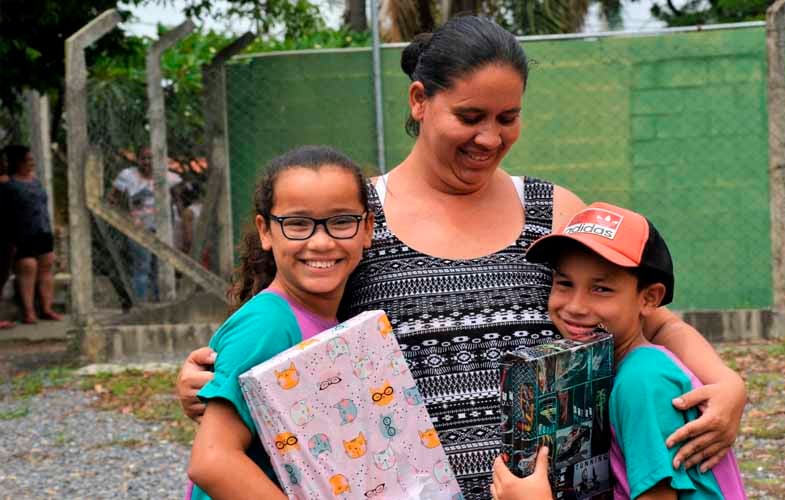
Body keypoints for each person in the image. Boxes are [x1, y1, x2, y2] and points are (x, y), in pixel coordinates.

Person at [176, 16, 746, 499]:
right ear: (420, 101)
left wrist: (726, 383)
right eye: (470, 118)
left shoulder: (552, 210)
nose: (490, 139)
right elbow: (283, 333)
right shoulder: (353, 219)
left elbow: (648, 318)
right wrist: (207, 378)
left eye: (508, 118)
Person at [491, 202, 746, 500]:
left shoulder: (643, 380)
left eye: (601, 289)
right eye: (564, 283)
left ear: (649, 298)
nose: (575, 306)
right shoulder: (611, 370)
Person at [186, 146, 373, 500]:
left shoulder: (331, 316)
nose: (321, 242)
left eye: (342, 221)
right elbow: (212, 460)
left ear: (367, 229)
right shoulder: (268, 324)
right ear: (266, 231)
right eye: (298, 224)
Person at [108, 146, 181, 301]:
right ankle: (140, 304)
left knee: (161, 267)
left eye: (151, 158)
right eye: (143, 158)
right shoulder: (128, 176)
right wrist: (123, 216)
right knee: (142, 267)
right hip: (138, 228)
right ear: (137, 159)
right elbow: (112, 198)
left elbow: (178, 200)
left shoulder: (168, 177)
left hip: (162, 228)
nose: (147, 162)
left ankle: (159, 303)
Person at [5, 144, 62, 324]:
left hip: (42, 230)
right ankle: (29, 312)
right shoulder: (9, 185)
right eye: (28, 160)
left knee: (47, 266)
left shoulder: (36, 181)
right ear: (18, 162)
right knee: (28, 267)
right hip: (22, 234)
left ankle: (47, 308)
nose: (32, 163)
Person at [0, 147, 16, 329]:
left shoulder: (8, 183)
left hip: (6, 236)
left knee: (3, 275)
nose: (5, 164)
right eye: (2, 161)